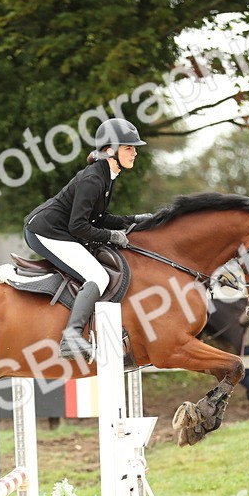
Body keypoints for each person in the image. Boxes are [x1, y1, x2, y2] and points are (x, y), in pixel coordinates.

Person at [23, 118, 152, 360]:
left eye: (134, 148)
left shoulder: (106, 175)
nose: (135, 152)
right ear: (109, 150)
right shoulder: (94, 179)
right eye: (128, 147)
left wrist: (132, 220)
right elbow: (80, 226)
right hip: (45, 231)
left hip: (60, 230)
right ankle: (71, 337)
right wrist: (112, 236)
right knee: (98, 276)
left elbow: (99, 217)